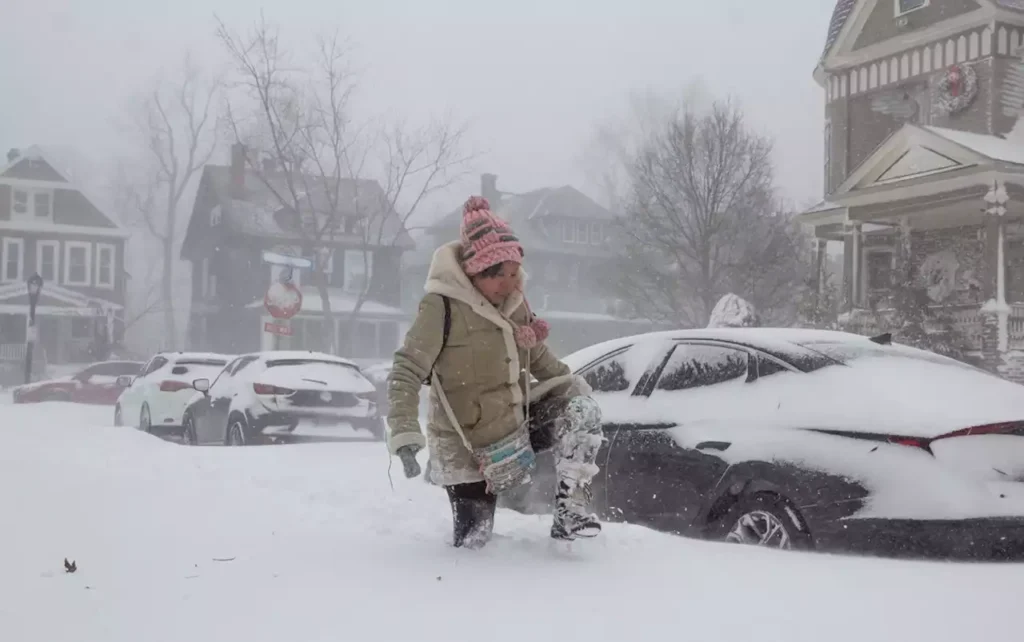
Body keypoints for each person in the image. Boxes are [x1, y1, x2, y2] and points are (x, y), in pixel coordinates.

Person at [386, 196, 605, 549]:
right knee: (475, 543)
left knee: (581, 409)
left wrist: (581, 391)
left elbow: (543, 361)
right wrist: (405, 433)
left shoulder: (515, 307)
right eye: (498, 274)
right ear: (474, 272)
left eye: (513, 272)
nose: (508, 283)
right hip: (467, 444)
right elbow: (406, 369)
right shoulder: (441, 306)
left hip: (516, 426)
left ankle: (572, 510)